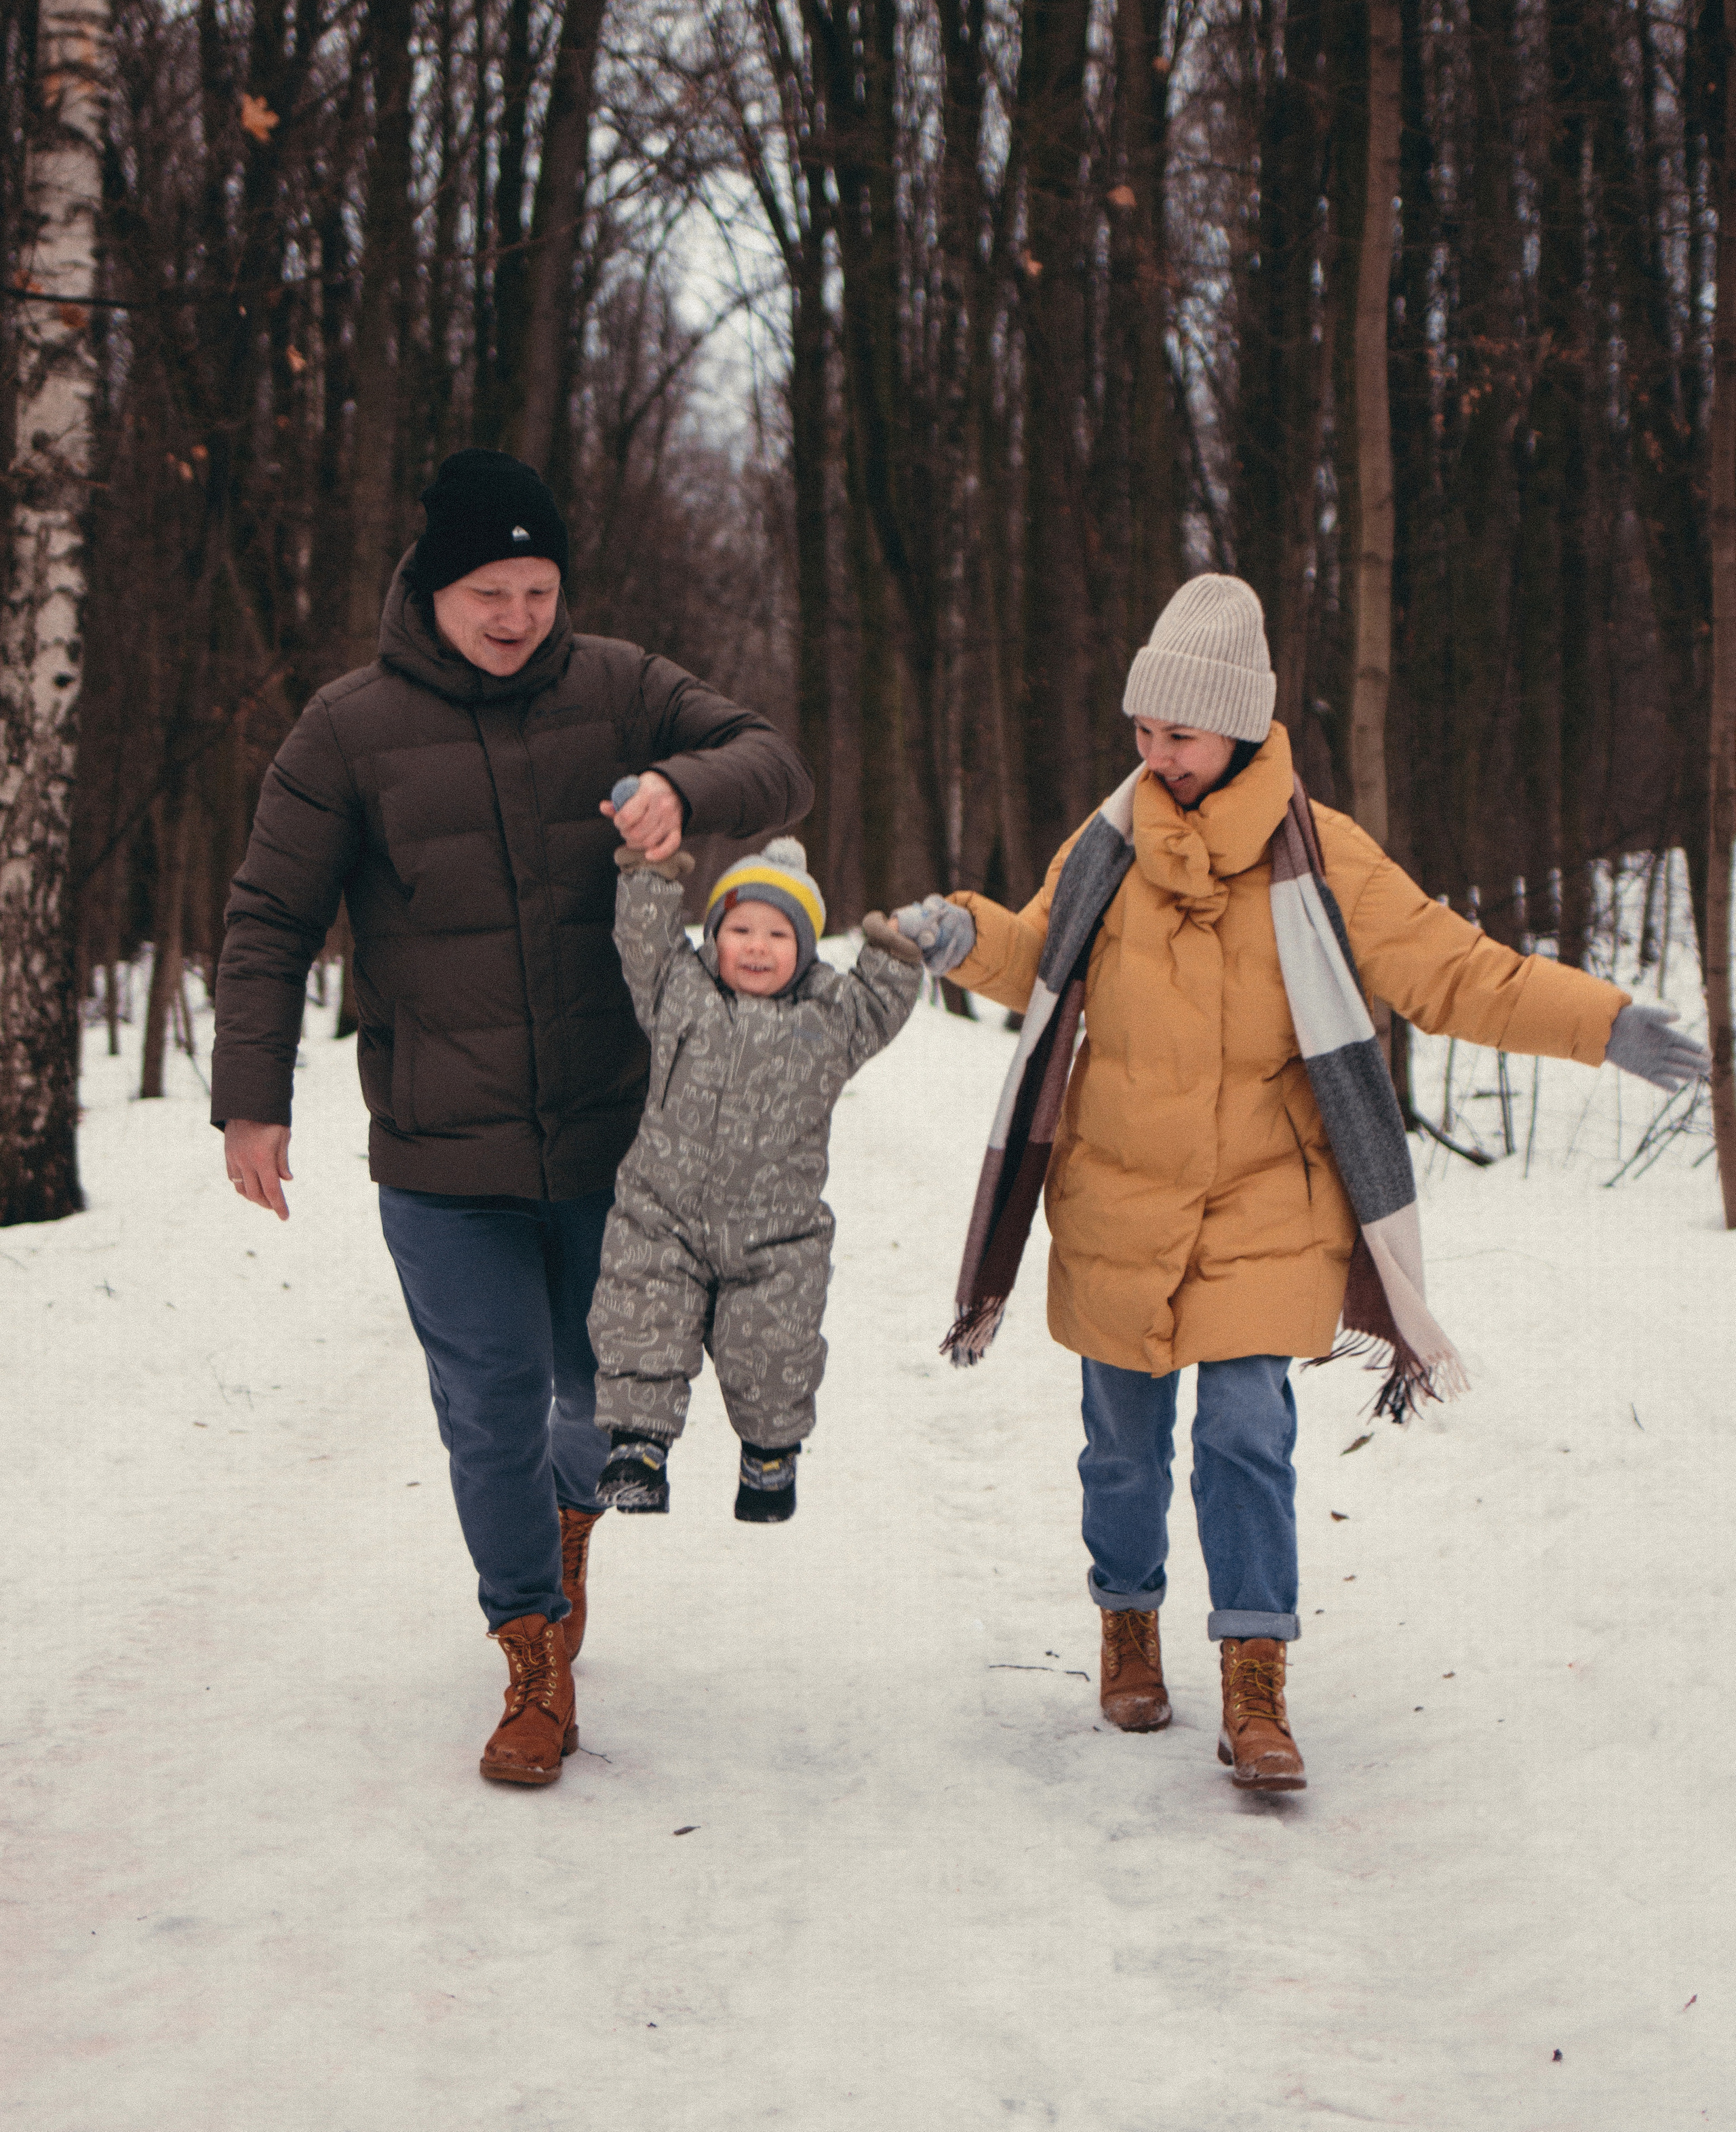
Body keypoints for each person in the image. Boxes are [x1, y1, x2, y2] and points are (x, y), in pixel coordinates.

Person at [890, 573, 1708, 1794]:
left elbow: (1457, 972)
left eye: (1176, 732)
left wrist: (1603, 1023)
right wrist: (968, 935)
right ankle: (1126, 1620)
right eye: (1143, 731)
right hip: (1116, 1195)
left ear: (1240, 727)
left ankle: (1255, 1674)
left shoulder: (1325, 857)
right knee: (1121, 1448)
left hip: (1265, 1197)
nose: (1153, 753)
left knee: (1244, 1432)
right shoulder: (1107, 840)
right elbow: (1039, 953)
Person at [212, 448, 810, 1788]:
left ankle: (568, 1511)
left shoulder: (616, 690)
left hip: (611, 1139)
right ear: (430, 586)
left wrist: (687, 790)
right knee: (486, 1401)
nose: (515, 615)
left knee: (598, 1394)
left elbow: (774, 762)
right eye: (489, 588)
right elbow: (267, 920)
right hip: (442, 1151)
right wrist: (250, 1099)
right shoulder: (346, 730)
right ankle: (530, 1651)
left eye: (537, 588)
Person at [586, 814, 920, 1521]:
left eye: (778, 934)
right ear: (715, 936)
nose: (757, 947)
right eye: (740, 930)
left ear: (803, 947)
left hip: (777, 1232)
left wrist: (894, 949)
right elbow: (643, 942)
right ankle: (637, 1449)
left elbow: (878, 1001)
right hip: (662, 1215)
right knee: (643, 1317)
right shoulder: (680, 991)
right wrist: (649, 876)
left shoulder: (829, 1018)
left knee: (772, 1349)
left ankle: (770, 1456)